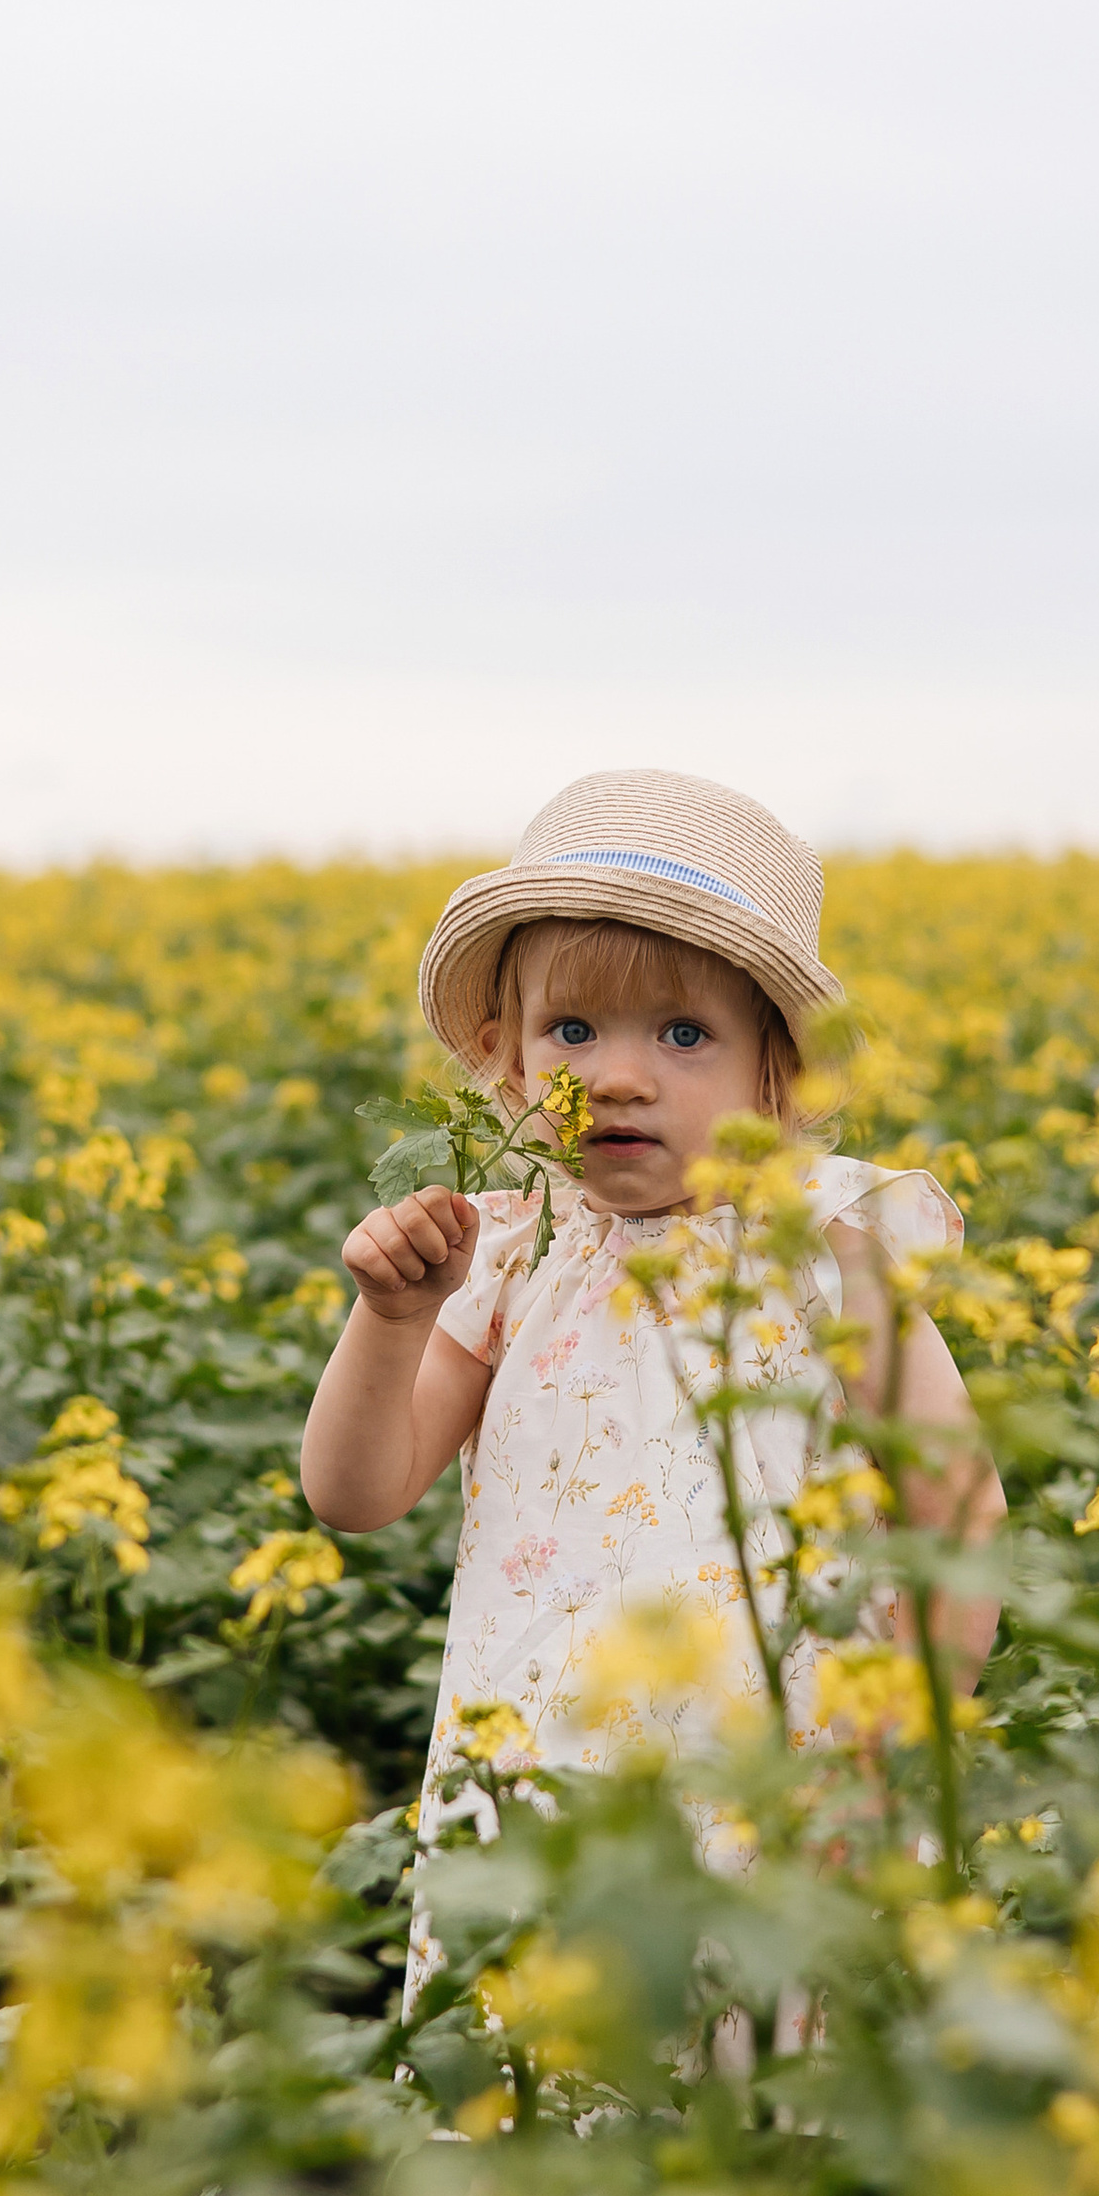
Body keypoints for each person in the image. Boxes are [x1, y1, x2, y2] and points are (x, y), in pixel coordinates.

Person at [300, 767, 1006, 1842]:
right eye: (572, 1031)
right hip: (537, 1798)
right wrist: (392, 1321)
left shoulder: (822, 1248)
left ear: (779, 1073)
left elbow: (957, 1509)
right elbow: (354, 1494)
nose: (616, 1079)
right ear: (506, 1058)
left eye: (682, 1035)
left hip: (789, 1803)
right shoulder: (509, 1255)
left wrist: (898, 1759)